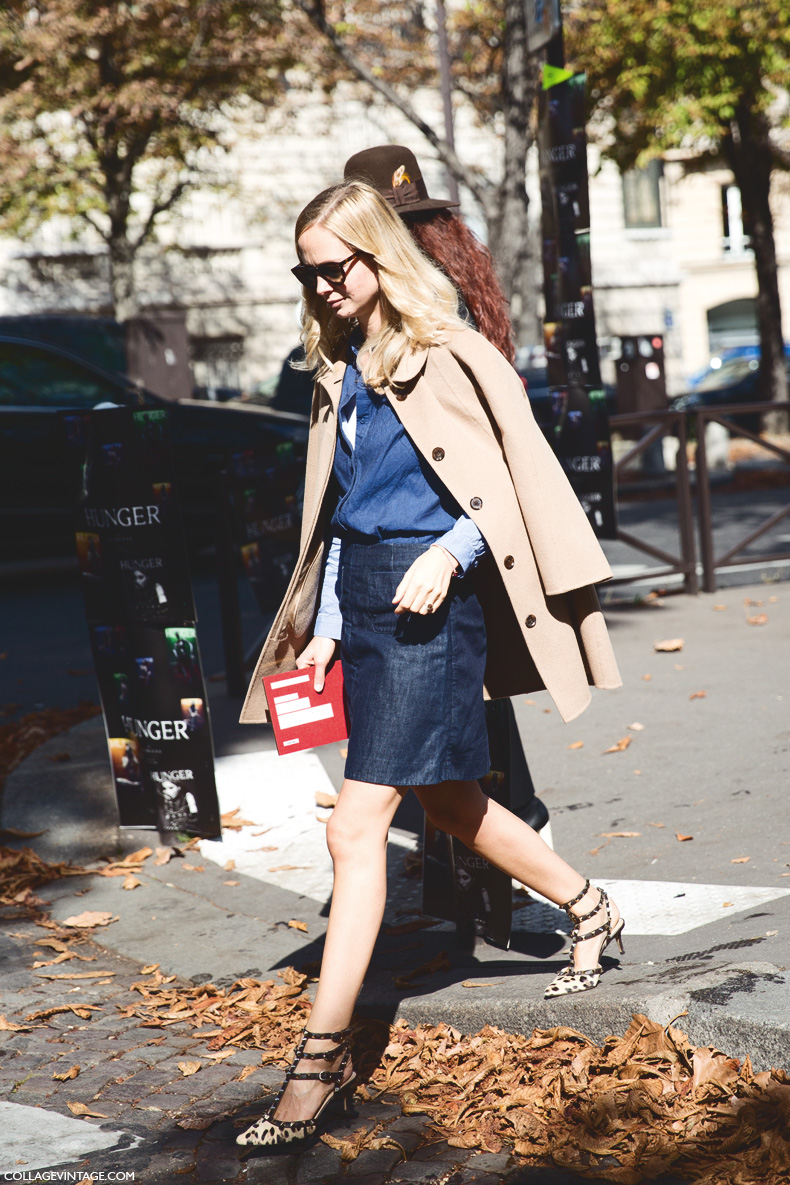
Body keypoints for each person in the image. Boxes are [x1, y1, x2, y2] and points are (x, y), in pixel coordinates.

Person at [236, 180, 624, 1150]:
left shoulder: (449, 351)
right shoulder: (337, 364)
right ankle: (589, 906)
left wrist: (446, 556)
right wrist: (324, 621)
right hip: (362, 599)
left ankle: (317, 1064)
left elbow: (512, 485)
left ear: (376, 256)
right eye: (307, 271)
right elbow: (335, 510)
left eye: (337, 266)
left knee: (356, 825)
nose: (322, 286)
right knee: (449, 804)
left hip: (429, 603)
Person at [344, 143, 548, 836]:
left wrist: (454, 546)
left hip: (450, 539)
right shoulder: (449, 278)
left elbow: (487, 458)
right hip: (446, 543)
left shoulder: (429, 307)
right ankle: (494, 864)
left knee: (464, 734)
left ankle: (516, 856)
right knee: (468, 728)